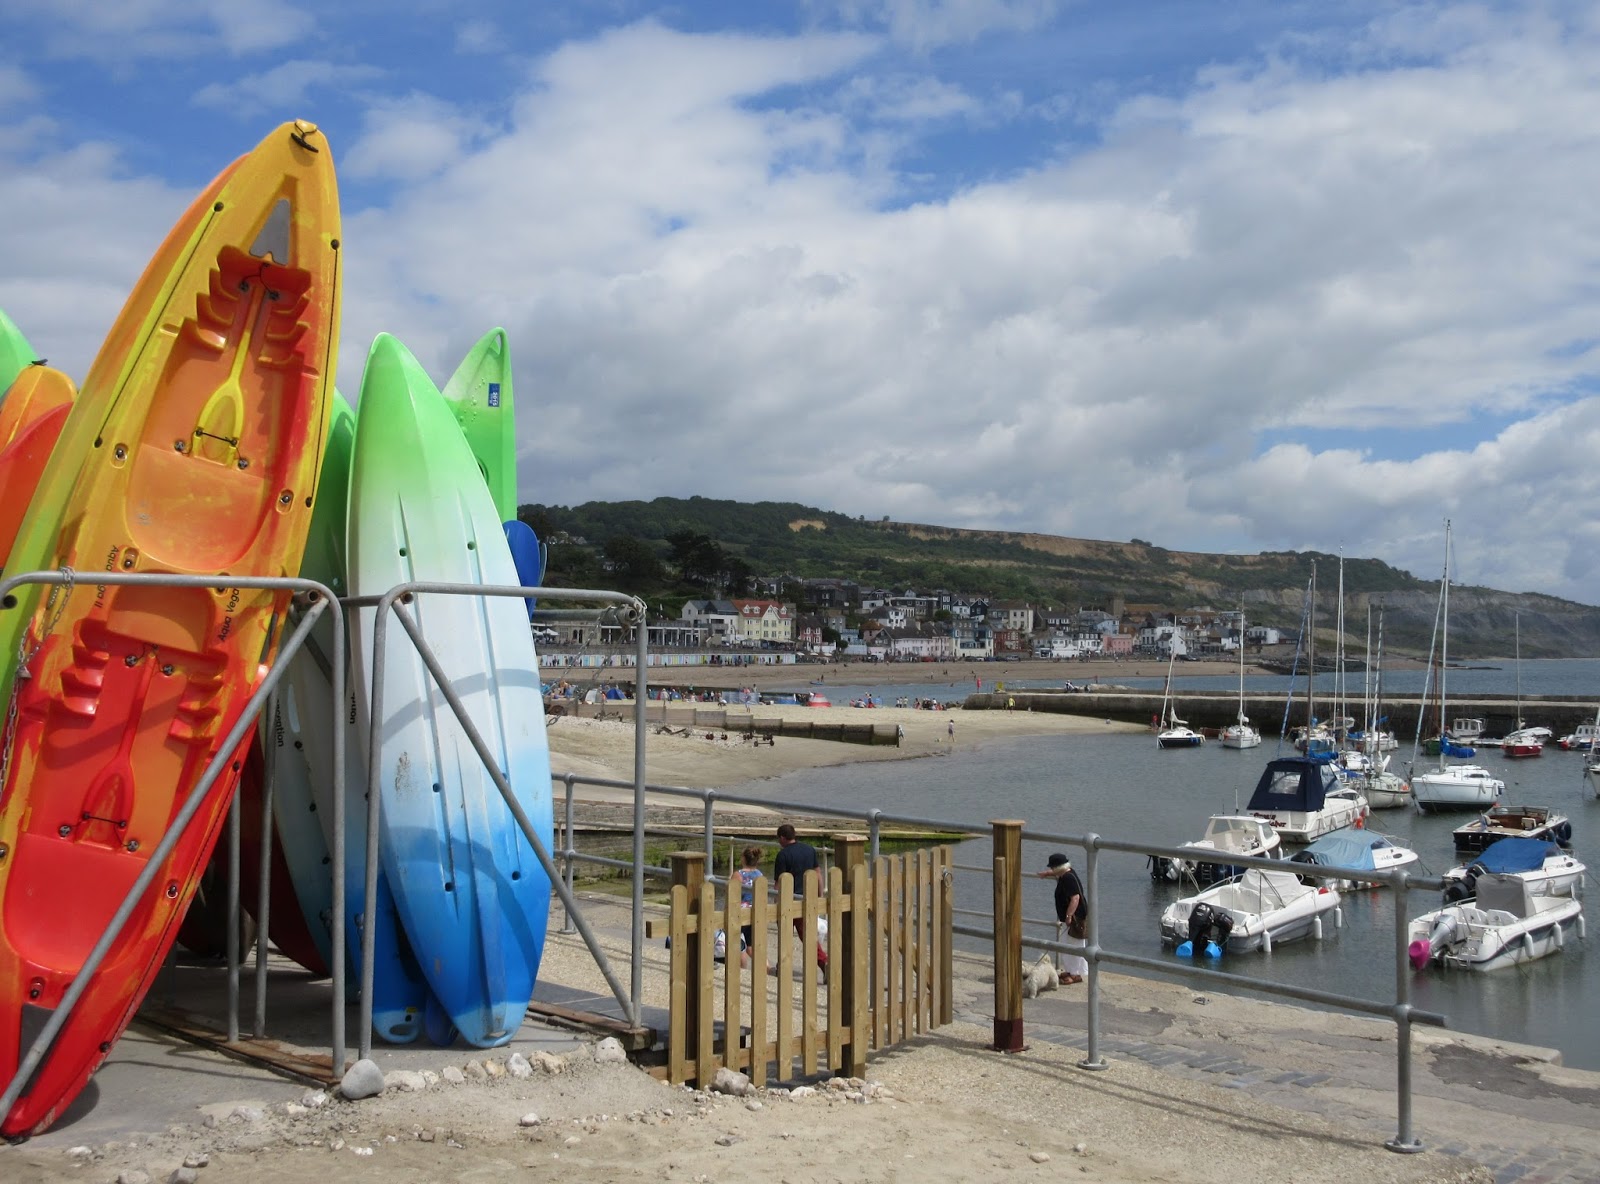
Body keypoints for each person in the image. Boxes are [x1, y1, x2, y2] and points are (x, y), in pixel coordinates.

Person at [772, 823, 827, 977]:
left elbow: (779, 883)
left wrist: (775, 903)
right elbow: (818, 873)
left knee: (785, 936)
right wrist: (820, 896)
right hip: (808, 899)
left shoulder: (782, 855)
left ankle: (783, 966)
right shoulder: (809, 849)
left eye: (778, 839)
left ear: (782, 837)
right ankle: (823, 962)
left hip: (789, 901)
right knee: (808, 937)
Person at [1036, 853, 1088, 984]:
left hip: (1075, 918)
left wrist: (1069, 915)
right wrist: (1047, 874)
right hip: (1070, 918)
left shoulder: (1068, 878)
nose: (1052, 870)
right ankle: (1071, 970)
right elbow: (1058, 873)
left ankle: (1075, 974)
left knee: (1074, 945)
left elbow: (1075, 898)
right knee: (1066, 944)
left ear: (1058, 868)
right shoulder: (1066, 874)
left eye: (1052, 868)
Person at [736, 845, 764, 967]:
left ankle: (742, 969)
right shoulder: (760, 875)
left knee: (738, 945)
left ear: (743, 858)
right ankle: (768, 968)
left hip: (740, 914)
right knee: (751, 947)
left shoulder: (738, 875)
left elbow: (732, 895)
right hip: (755, 913)